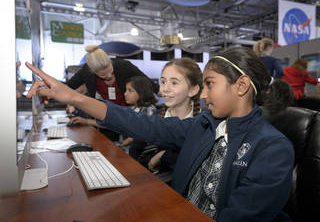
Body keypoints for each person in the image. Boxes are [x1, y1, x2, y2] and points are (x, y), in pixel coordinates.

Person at [25, 47, 294, 221]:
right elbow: (142, 124)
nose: (203, 94)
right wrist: (74, 97)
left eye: (209, 84)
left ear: (242, 86)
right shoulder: (204, 125)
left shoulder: (272, 148)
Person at [66, 45, 159, 141]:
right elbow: (67, 86)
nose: (109, 76)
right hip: (106, 113)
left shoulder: (124, 66)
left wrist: (165, 95)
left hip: (127, 113)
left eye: (110, 71)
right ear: (93, 71)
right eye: (103, 75)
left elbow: (147, 82)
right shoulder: (86, 71)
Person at [145, 58, 202, 181]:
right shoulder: (155, 118)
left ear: (193, 90)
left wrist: (163, 155)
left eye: (174, 83)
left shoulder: (204, 124)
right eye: (163, 82)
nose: (165, 89)